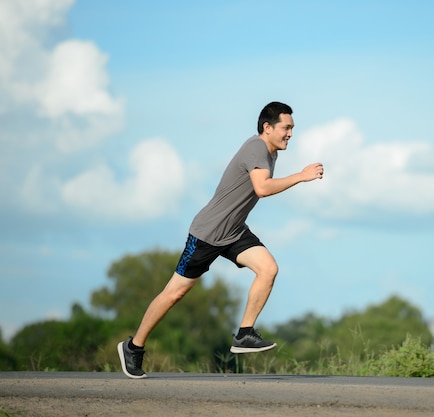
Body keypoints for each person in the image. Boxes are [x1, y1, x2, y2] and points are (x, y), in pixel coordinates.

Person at [117, 101, 324, 379]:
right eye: (286, 128)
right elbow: (261, 188)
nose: (290, 134)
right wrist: (301, 176)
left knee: (268, 269)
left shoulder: (271, 152)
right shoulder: (256, 148)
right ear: (267, 127)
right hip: (208, 233)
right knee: (175, 293)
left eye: (292, 128)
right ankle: (133, 347)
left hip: (235, 231)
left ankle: (244, 334)